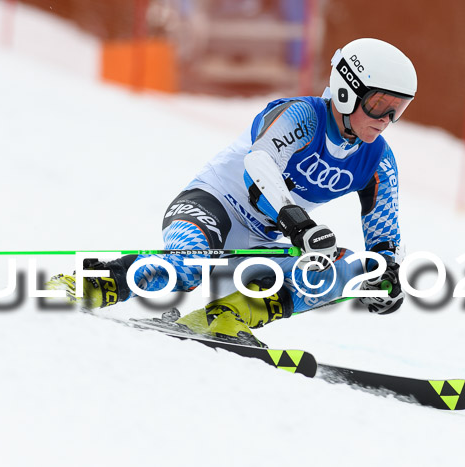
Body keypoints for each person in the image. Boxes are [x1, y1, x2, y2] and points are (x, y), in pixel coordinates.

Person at [49, 38, 416, 347]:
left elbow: (384, 230)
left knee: (348, 269)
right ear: (346, 91)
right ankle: (83, 286)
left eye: (396, 110)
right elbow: (261, 163)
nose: (385, 120)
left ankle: (224, 317)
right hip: (211, 206)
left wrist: (386, 275)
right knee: (187, 267)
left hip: (262, 240)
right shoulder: (302, 116)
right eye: (378, 105)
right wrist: (298, 223)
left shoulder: (378, 160)